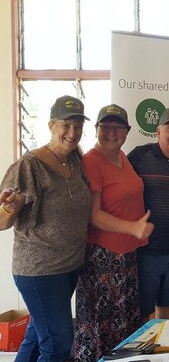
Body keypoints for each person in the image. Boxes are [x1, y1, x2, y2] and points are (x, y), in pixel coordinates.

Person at [0, 95, 91, 362]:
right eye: (66, 125)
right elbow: (2, 221)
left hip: (68, 267)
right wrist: (11, 207)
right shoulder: (29, 165)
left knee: (38, 337)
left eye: (77, 126)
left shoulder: (74, 160)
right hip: (40, 270)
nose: (72, 133)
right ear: (52, 124)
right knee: (58, 343)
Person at [74, 104, 154, 361]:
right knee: (101, 329)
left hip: (126, 256)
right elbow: (93, 214)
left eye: (118, 127)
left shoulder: (123, 158)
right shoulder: (91, 162)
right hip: (102, 259)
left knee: (125, 327)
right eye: (105, 126)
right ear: (96, 130)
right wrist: (133, 227)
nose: (112, 132)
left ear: (127, 132)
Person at [128, 107, 169, 321]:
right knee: (142, 312)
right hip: (146, 251)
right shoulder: (140, 156)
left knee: (167, 312)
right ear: (158, 132)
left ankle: (162, 353)